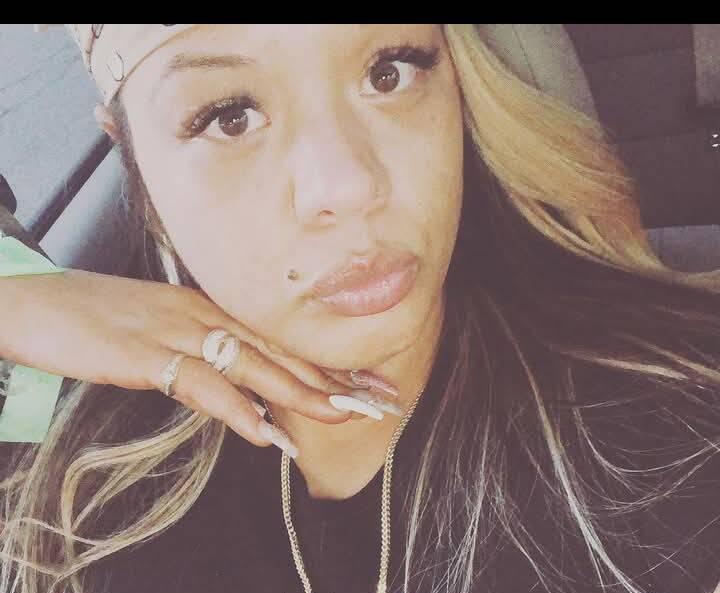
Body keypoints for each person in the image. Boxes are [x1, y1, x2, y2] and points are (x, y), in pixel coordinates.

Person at [1, 24, 720, 593]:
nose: (347, 186)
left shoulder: (680, 429)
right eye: (231, 117)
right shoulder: (67, 497)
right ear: (134, 159)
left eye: (390, 72)